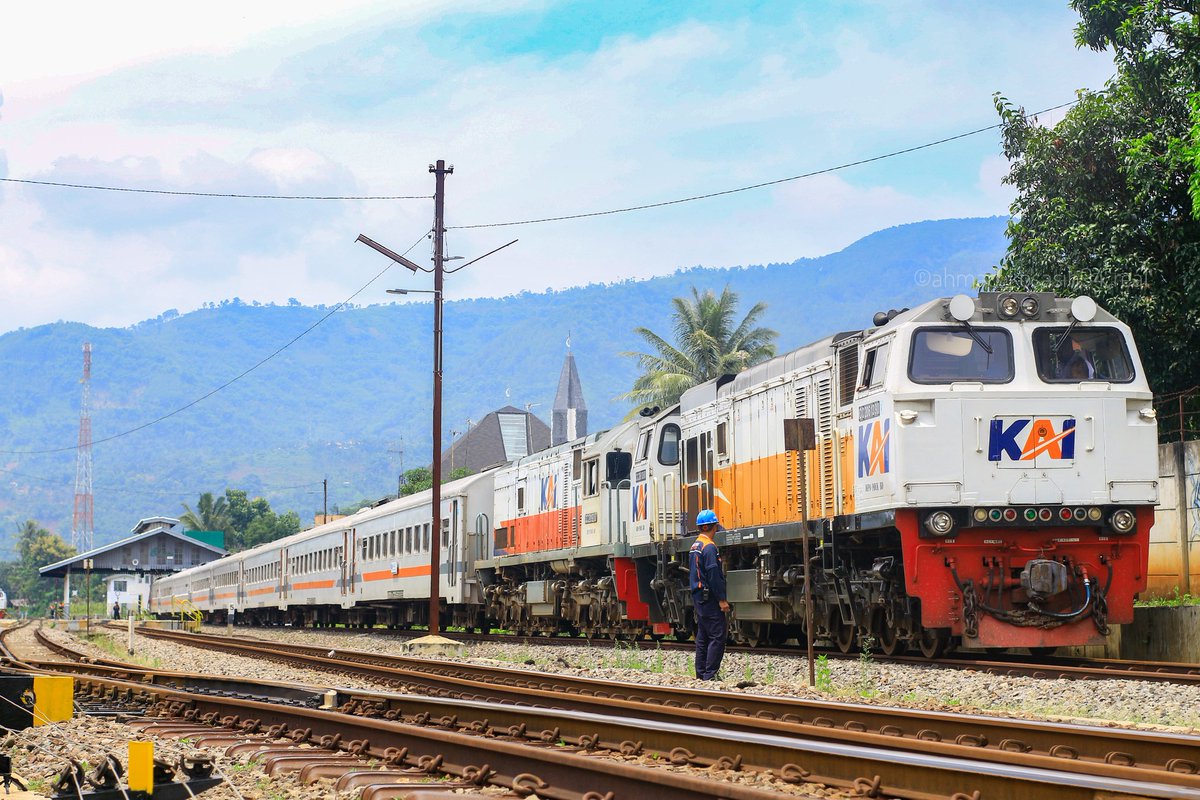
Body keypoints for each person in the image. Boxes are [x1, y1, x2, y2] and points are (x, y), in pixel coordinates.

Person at [688, 509, 730, 681]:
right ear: (714, 526)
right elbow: (713, 575)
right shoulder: (709, 547)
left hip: (699, 597)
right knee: (717, 636)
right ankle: (710, 674)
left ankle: (701, 674)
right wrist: (722, 600)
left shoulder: (695, 546)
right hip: (710, 598)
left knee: (703, 637)